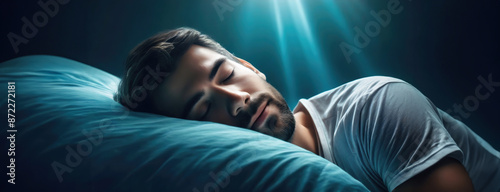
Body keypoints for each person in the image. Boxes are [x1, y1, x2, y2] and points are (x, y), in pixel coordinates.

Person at [114, 27, 500, 192]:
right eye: (202, 109)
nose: (237, 100)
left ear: (250, 67)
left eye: (227, 74)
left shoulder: (374, 106)